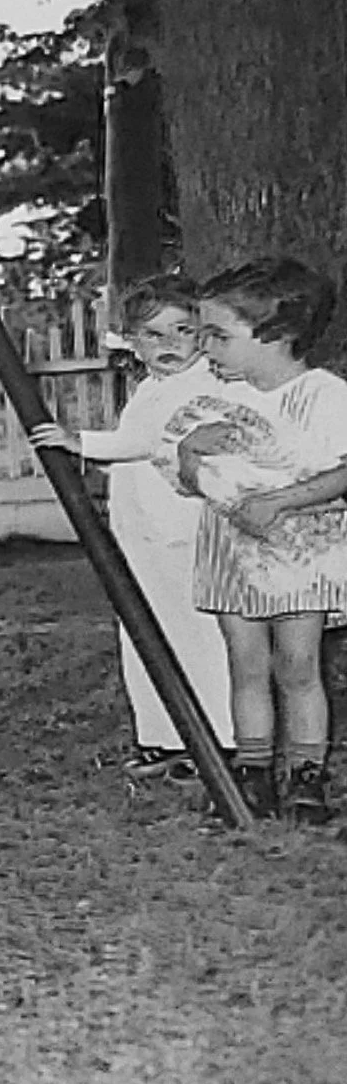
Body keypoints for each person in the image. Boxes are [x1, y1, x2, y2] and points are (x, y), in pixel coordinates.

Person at [30, 275, 237, 778]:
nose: (169, 345)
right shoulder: (150, 387)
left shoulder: (207, 385)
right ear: (131, 341)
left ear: (204, 332)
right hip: (142, 533)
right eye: (153, 334)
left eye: (182, 331)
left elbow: (150, 440)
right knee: (143, 626)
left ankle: (221, 737)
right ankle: (163, 735)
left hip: (187, 531)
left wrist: (81, 442)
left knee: (200, 631)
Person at [172, 256, 347, 824]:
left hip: (300, 553)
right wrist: (190, 451)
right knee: (245, 662)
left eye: (219, 336)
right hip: (232, 551)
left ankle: (306, 775)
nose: (206, 348)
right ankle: (252, 771)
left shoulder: (324, 396)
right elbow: (186, 479)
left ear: (278, 335)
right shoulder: (214, 401)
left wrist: (280, 501)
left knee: (298, 663)